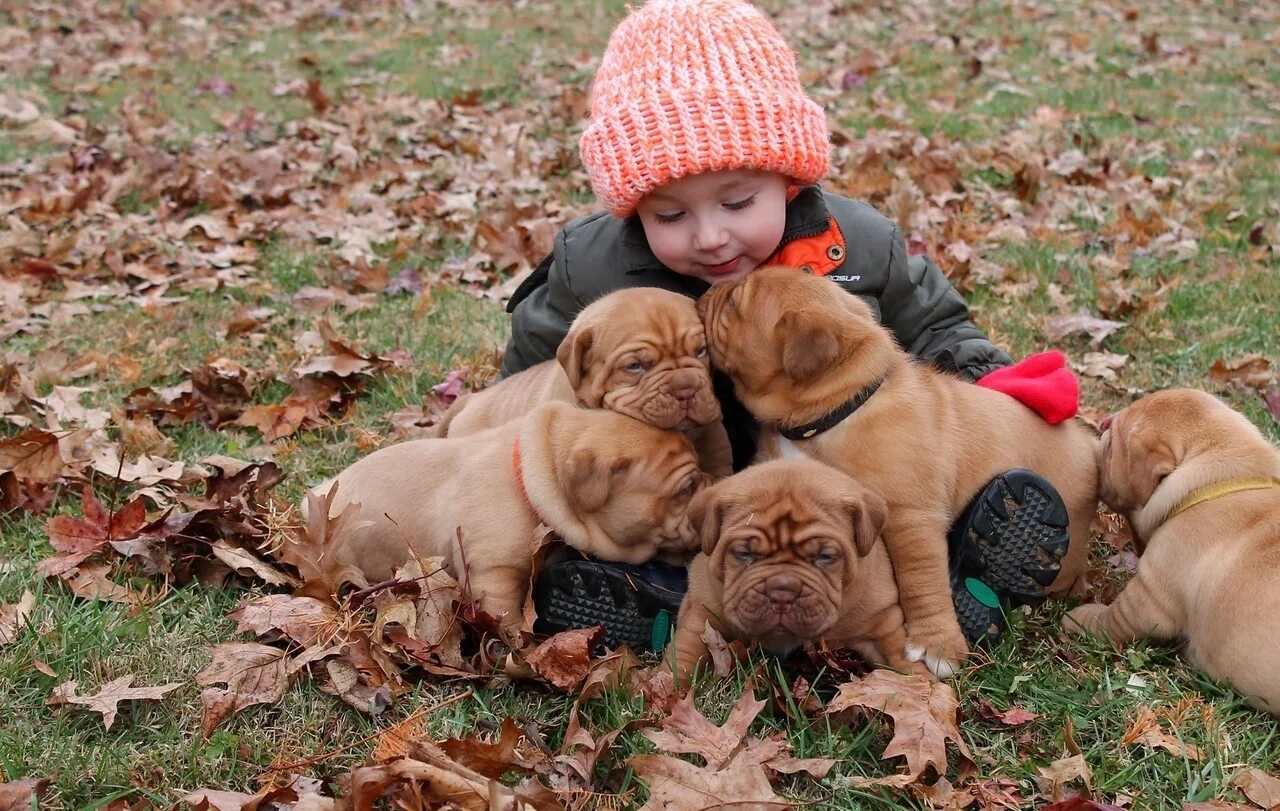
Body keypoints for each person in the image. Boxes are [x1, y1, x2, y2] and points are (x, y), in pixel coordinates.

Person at [506, 0, 1081, 656]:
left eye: (737, 201)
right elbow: (530, 373)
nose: (710, 236)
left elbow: (937, 327)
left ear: (787, 174)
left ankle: (961, 575)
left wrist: (989, 378)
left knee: (902, 506)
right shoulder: (594, 266)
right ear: (634, 210)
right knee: (648, 523)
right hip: (683, 480)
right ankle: (646, 593)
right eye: (670, 216)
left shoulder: (857, 247)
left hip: (823, 486)